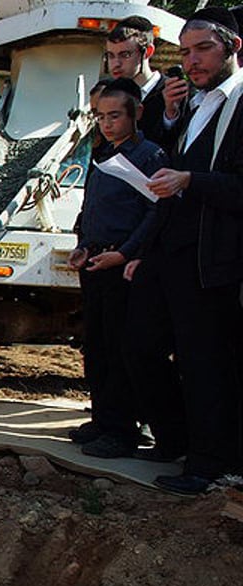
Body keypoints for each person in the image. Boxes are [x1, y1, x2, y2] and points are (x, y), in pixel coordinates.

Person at [126, 8, 243, 494]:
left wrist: (191, 181)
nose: (192, 62)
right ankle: (176, 440)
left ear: (233, 48)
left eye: (203, 50)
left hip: (213, 261)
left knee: (205, 362)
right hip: (169, 253)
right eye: (186, 51)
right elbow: (175, 164)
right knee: (139, 346)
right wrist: (171, 117)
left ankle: (209, 463)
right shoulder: (193, 104)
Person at [66, 78, 167, 459]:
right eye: (100, 117)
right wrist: (83, 245)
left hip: (122, 269)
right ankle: (104, 420)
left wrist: (124, 254)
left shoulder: (150, 156)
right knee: (98, 348)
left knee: (122, 348)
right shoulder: (104, 153)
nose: (107, 124)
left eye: (114, 116)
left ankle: (123, 429)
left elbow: (154, 213)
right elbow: (93, 209)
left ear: (136, 114)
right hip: (95, 261)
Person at [107, 16, 167, 143]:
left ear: (148, 52)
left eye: (125, 55)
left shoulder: (170, 93)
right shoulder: (109, 94)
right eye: (111, 56)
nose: (116, 64)